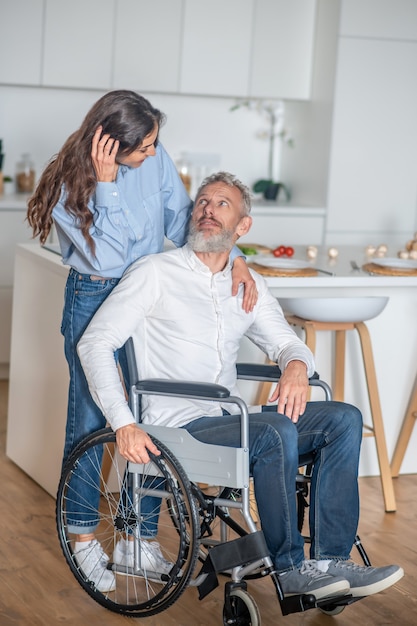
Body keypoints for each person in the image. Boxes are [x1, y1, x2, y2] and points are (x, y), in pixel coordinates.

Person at [77, 171, 403, 601]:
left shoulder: (247, 283)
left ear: (242, 226)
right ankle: (290, 572)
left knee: (344, 418)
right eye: (202, 203)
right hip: (181, 428)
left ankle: (330, 563)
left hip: (230, 421)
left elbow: (286, 341)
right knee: (273, 430)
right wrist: (123, 422)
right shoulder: (156, 273)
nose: (207, 210)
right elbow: (95, 342)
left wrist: (296, 366)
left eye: (221, 204)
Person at [26, 92, 257, 592]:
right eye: (145, 147)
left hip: (153, 290)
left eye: (155, 143)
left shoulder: (155, 157)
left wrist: (233, 254)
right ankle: (84, 539)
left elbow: (181, 222)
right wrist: (107, 187)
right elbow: (107, 259)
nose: (154, 154)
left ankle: (136, 537)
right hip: (95, 296)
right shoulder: (74, 185)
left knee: (153, 410)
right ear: (111, 144)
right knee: (92, 417)